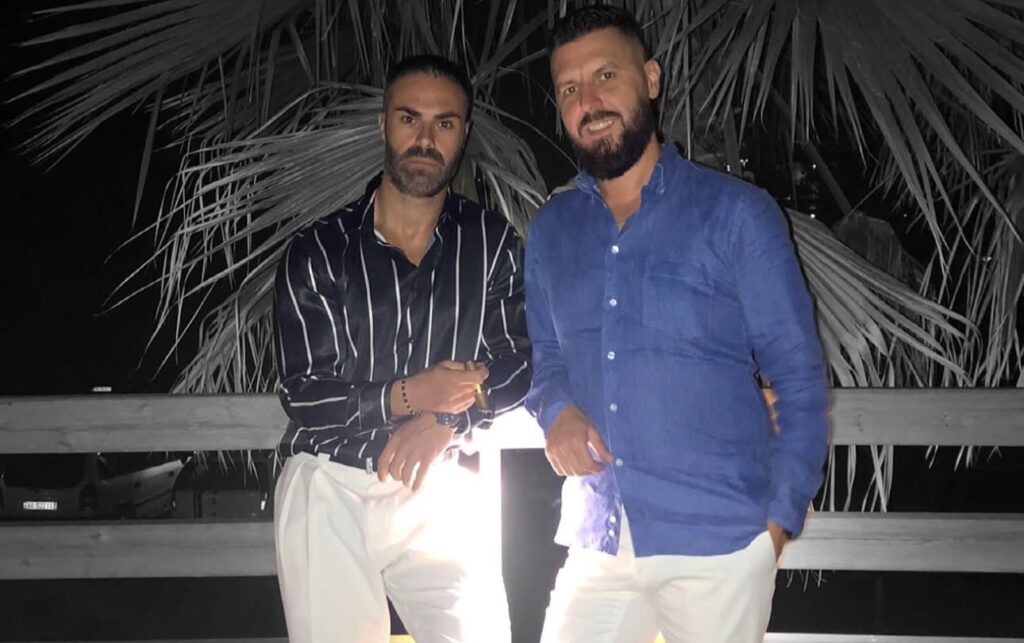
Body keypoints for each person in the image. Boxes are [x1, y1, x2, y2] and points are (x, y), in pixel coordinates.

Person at [525, 7, 830, 643]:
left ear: (651, 79)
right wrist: (555, 411)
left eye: (606, 75)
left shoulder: (737, 215)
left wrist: (777, 526)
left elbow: (799, 379)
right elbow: (546, 359)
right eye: (570, 88)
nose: (589, 101)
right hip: (600, 533)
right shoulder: (552, 229)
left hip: (719, 543)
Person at [272, 54, 530, 643]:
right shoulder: (319, 251)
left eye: (444, 123)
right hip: (330, 485)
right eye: (410, 118)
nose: (425, 139)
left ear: (464, 133)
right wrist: (412, 394)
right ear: (383, 123)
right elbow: (305, 394)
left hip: (439, 482)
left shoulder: (490, 242)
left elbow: (520, 360)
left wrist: (447, 418)